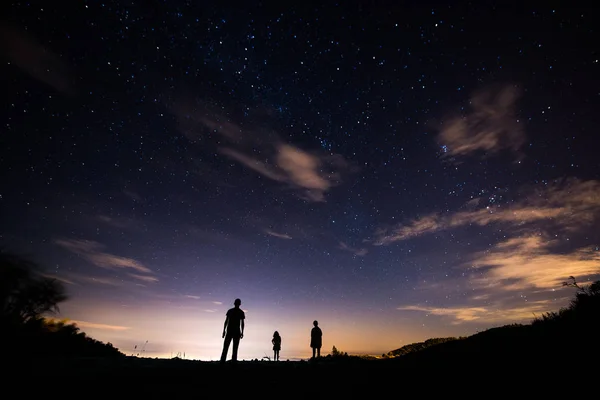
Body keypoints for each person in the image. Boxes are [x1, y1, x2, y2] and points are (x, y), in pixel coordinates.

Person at [220, 298, 245, 362]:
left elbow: (242, 323)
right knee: (232, 348)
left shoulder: (231, 311)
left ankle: (225, 361)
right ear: (239, 304)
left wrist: (224, 331)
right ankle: (229, 361)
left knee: (229, 347)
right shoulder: (240, 312)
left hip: (232, 331)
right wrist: (242, 332)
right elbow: (226, 321)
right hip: (233, 331)